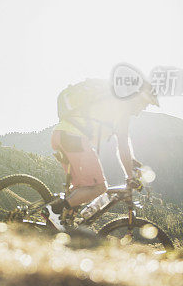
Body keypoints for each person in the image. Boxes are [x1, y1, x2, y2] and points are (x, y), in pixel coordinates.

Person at [42, 78, 159, 231]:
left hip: (62, 135)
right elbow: (122, 145)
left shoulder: (116, 104)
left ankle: (57, 225)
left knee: (81, 189)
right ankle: (53, 210)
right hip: (74, 138)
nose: (142, 109)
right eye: (144, 104)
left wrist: (131, 161)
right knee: (99, 187)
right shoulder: (122, 109)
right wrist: (130, 177)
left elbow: (123, 148)